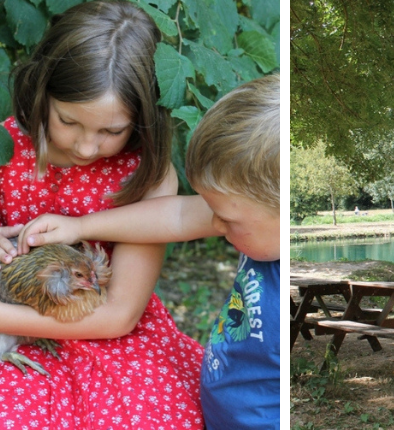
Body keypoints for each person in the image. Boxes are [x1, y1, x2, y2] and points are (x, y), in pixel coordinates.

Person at [16, 74, 281, 428]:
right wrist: (80, 227)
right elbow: (177, 214)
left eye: (227, 219)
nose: (215, 226)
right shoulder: (258, 222)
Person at [0, 1, 204, 428]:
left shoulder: (146, 171)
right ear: (42, 89)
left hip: (104, 333)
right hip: (9, 326)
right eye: (68, 121)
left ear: (143, 117)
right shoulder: (4, 147)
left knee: (147, 416)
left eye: (112, 130)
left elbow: (119, 315)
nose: (87, 148)